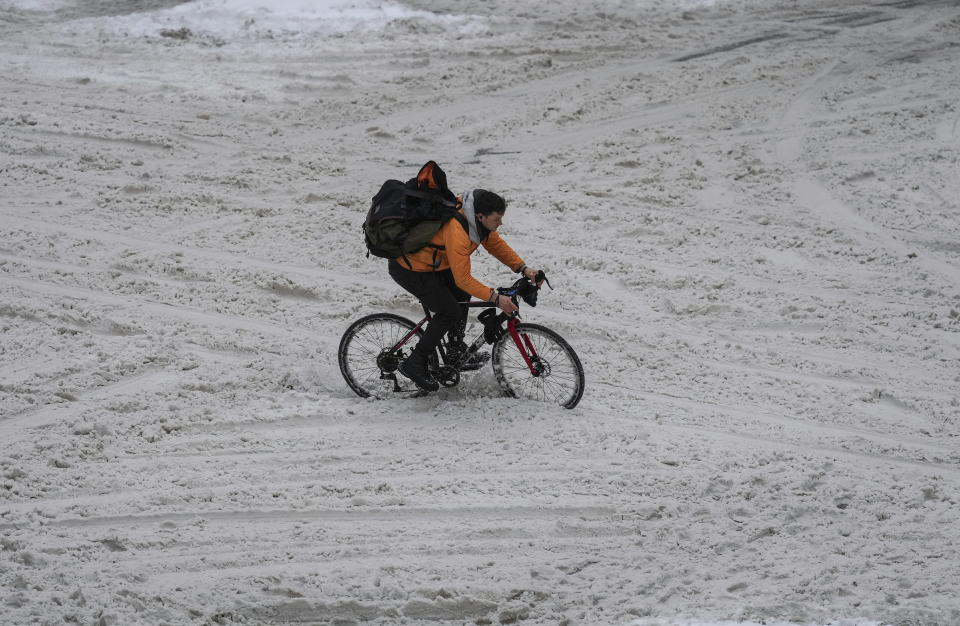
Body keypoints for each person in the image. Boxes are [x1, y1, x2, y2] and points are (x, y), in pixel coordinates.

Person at [389, 188, 542, 391]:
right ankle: (415, 362)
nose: (500, 223)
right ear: (481, 216)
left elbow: (494, 243)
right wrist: (496, 298)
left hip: (435, 264)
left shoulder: (475, 220)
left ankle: (454, 349)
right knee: (448, 310)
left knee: (461, 295)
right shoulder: (457, 231)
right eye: (497, 219)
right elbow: (463, 278)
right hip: (410, 268)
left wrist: (523, 268)